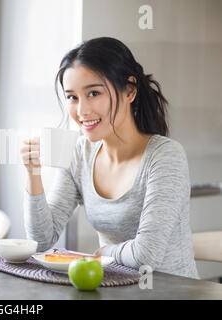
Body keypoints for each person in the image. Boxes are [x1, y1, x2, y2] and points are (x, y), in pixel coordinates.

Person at [20, 37, 199, 279]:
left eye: (93, 93)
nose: (82, 111)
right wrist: (33, 174)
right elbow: (41, 241)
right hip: (112, 289)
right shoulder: (79, 153)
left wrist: (103, 253)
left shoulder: (165, 156)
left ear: (129, 91)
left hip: (170, 293)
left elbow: (146, 255)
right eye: (72, 97)